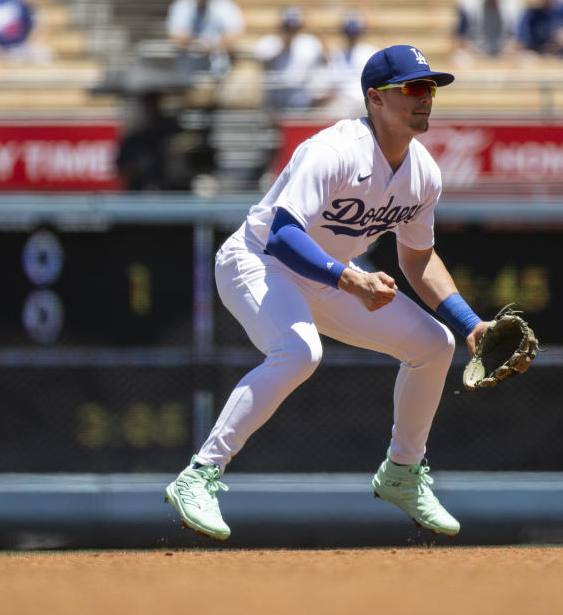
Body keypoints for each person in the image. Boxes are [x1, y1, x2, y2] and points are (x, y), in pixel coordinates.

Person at [164, 44, 491, 541]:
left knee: (435, 345)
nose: (426, 98)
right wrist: (350, 279)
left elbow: (417, 259)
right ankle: (199, 475)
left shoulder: (424, 173)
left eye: (430, 88)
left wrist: (470, 324)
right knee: (299, 352)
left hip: (331, 274)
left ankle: (402, 472)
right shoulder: (333, 151)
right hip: (256, 262)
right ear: (375, 99)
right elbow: (282, 236)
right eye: (413, 88)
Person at [166, 0, 245, 78]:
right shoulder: (182, 5)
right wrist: (201, 43)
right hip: (187, 70)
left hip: (217, 69)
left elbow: (234, 37)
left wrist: (211, 44)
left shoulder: (225, 6)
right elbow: (175, 37)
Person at [253, 6, 326, 112]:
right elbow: (264, 61)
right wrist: (284, 46)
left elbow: (324, 64)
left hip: (301, 96)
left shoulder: (310, 42)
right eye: (287, 27)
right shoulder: (269, 42)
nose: (290, 30)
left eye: (294, 27)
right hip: (275, 96)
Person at [453, 0, 525, 63]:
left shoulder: (514, 3)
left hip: (505, 55)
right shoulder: (467, 1)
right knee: (460, 58)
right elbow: (459, 37)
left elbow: (519, 39)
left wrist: (510, 50)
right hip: (474, 55)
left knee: (526, 59)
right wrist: (472, 51)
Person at [322, 13, 377, 117]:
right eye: (348, 32)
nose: (351, 36)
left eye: (354, 33)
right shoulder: (335, 54)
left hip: (365, 102)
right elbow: (330, 83)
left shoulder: (370, 52)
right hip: (342, 102)